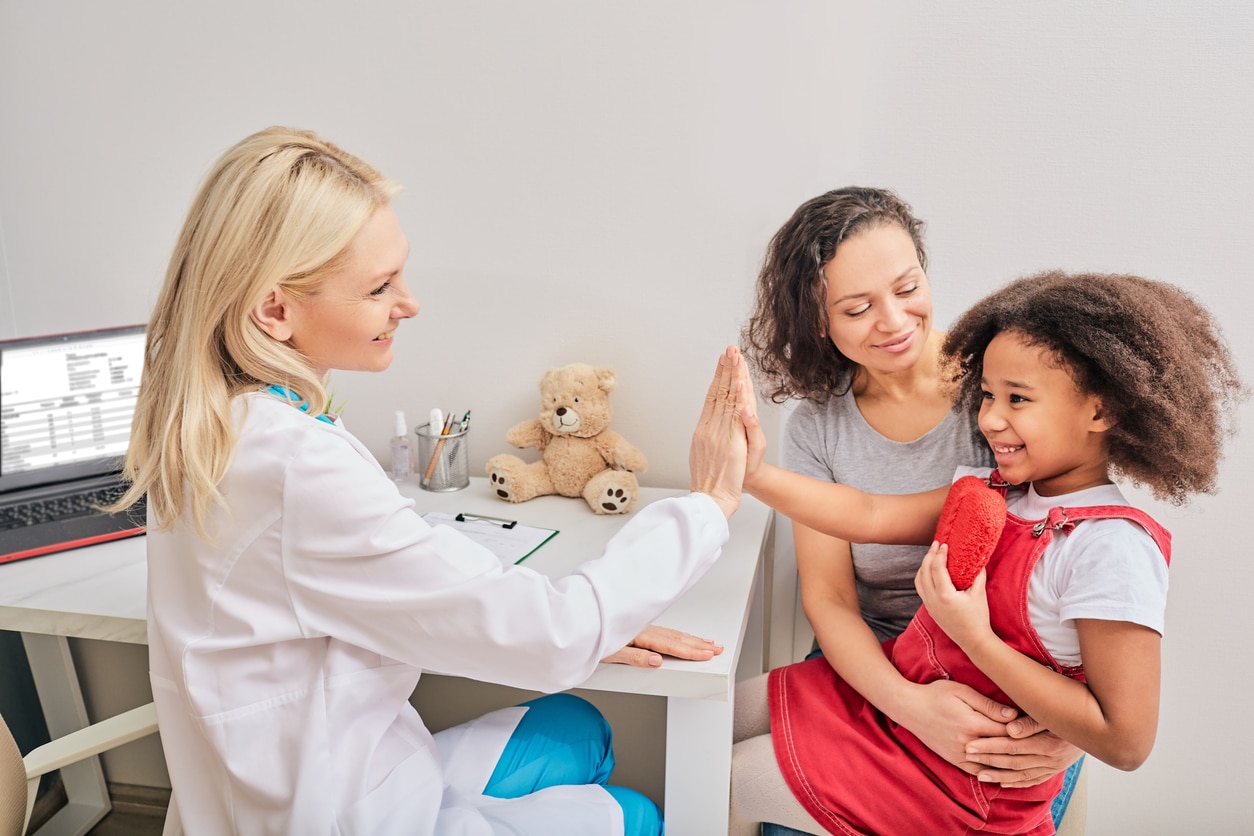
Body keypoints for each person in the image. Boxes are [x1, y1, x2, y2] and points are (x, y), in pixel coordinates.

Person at [108, 126, 751, 836]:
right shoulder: (298, 465)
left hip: (310, 780)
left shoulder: (208, 423)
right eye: (380, 287)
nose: (407, 304)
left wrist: (585, 616)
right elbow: (553, 638)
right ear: (275, 310)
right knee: (635, 816)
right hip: (333, 815)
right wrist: (710, 505)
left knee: (580, 727)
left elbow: (369, 576)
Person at [723, 270, 1244, 834]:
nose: (990, 419)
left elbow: (1127, 739)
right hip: (905, 706)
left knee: (732, 774)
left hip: (966, 781)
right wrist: (752, 474)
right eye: (989, 395)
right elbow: (869, 514)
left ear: (1101, 411)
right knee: (717, 714)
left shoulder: (1112, 549)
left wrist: (973, 635)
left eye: (1017, 399)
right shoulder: (994, 490)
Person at [739, 187, 1082, 832]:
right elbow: (831, 600)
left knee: (744, 780)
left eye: (907, 287)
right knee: (710, 737)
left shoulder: (1001, 388)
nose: (894, 321)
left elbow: (1080, 553)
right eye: (858, 307)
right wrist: (910, 706)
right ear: (820, 322)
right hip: (873, 658)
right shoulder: (816, 427)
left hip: (1000, 676)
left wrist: (1069, 724)